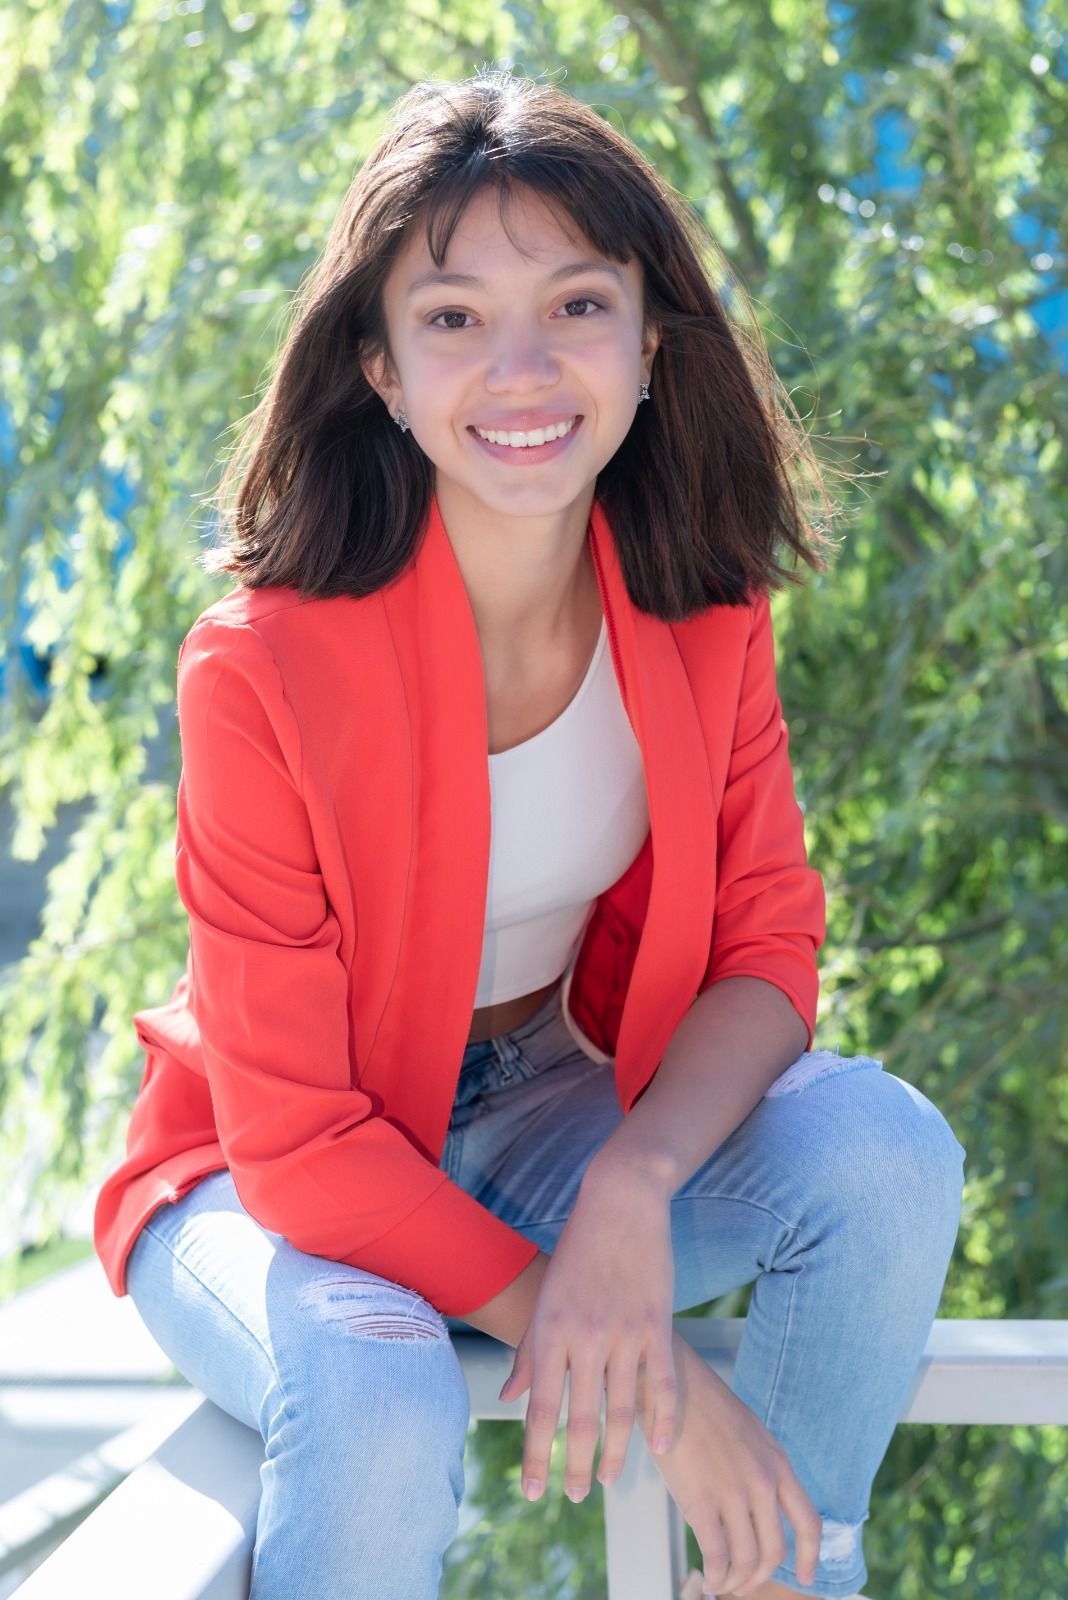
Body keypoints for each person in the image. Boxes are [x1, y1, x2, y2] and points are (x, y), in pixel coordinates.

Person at [93, 68, 966, 1600]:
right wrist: (667, 1389)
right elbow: (300, 1140)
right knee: (376, 1378)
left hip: (546, 1114)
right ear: (375, 362)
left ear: (645, 339)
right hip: (259, 1173)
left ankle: (777, 1581)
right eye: (452, 318)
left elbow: (768, 941)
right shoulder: (265, 667)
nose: (522, 368)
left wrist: (635, 1182)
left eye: (575, 304)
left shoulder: (698, 608)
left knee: (883, 1158)